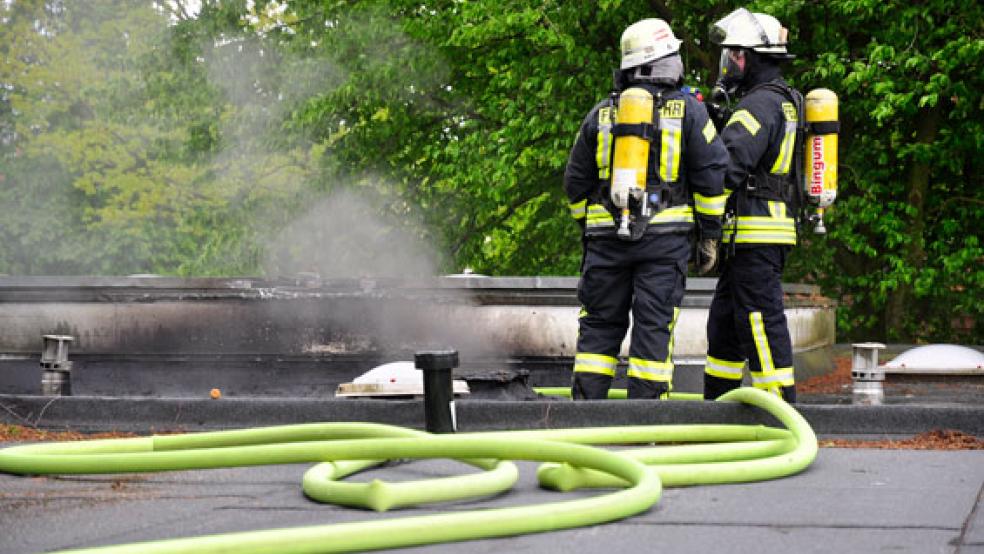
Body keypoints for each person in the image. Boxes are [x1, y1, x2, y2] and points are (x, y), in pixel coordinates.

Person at [564, 18, 729, 400]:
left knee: (598, 327)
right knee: (653, 326)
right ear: (666, 61)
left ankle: (585, 418)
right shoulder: (689, 111)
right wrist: (709, 236)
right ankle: (647, 421)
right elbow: (711, 174)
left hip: (605, 240)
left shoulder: (601, 115)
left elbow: (575, 184)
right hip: (664, 241)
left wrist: (590, 232)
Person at [702, 8, 802, 402]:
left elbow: (727, 167)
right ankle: (716, 411)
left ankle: (780, 413)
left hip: (756, 232)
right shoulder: (784, 100)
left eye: (733, 55)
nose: (728, 64)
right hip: (757, 234)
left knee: (760, 321)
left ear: (747, 56)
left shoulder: (757, 106)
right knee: (725, 324)